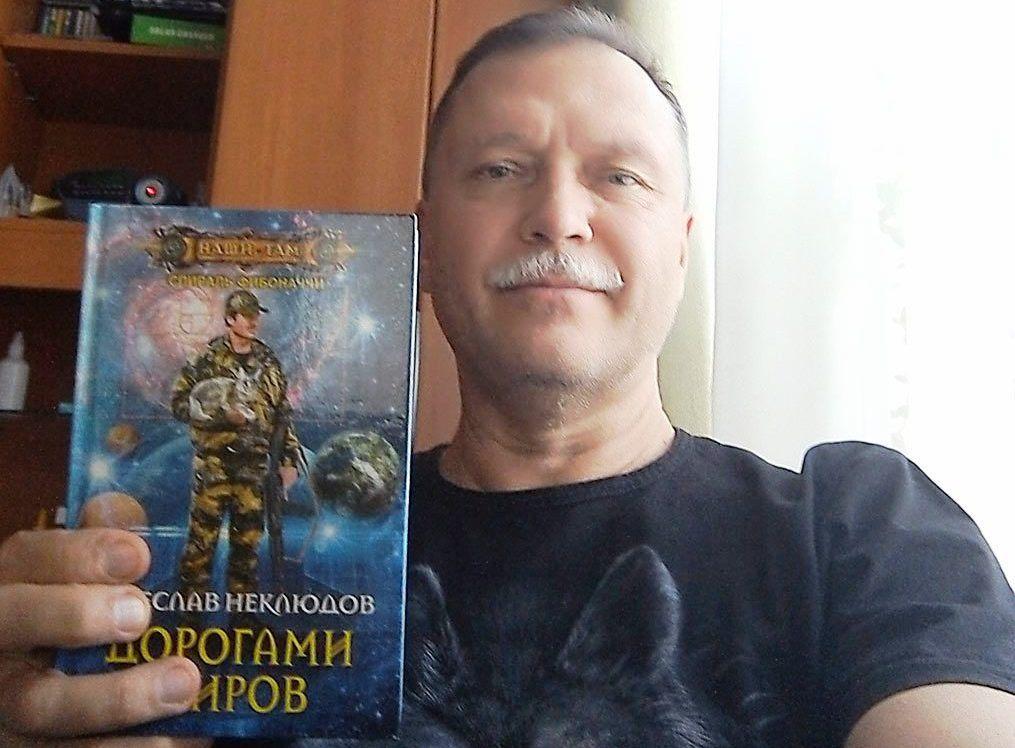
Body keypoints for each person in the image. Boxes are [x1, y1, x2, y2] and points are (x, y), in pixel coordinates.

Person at [0, 7, 1012, 747]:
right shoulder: (295, 551)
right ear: (425, 243)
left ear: (679, 247)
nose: (558, 216)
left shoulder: (859, 525)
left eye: (619, 175)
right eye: (498, 169)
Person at [170, 289, 303, 600]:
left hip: (253, 470)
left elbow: (282, 415)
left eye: (257, 315)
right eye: (247, 315)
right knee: (201, 545)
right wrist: (221, 415)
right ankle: (190, 615)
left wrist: (289, 461)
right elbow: (179, 404)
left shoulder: (268, 362)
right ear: (230, 319)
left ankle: (243, 618)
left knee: (247, 547)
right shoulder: (205, 361)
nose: (254, 321)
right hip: (215, 466)